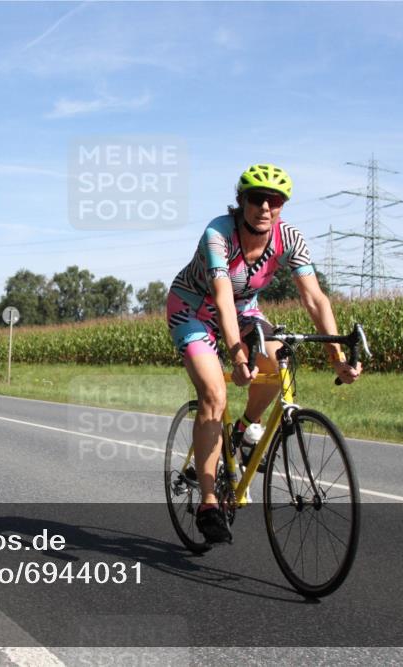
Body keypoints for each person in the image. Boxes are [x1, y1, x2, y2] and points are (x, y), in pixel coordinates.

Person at [167, 163, 362, 543]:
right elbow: (222, 297)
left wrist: (336, 356)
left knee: (278, 358)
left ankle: (243, 429)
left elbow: (314, 298)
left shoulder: (289, 238)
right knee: (214, 394)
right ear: (241, 201)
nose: (266, 207)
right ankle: (208, 503)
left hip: (244, 311)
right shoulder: (218, 234)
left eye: (276, 201)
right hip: (193, 310)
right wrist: (238, 355)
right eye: (257, 199)